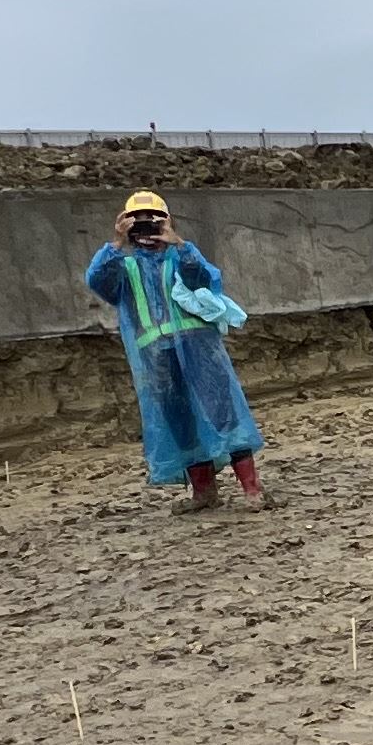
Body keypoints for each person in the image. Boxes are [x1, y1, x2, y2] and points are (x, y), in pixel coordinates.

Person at [83, 191, 270, 511]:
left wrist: (178, 243)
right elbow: (98, 281)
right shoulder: (124, 266)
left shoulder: (181, 256)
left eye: (153, 221)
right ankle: (204, 493)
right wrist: (116, 243)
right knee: (180, 421)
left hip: (199, 350)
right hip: (156, 356)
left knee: (225, 415)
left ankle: (252, 490)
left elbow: (203, 279)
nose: (146, 229)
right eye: (137, 222)